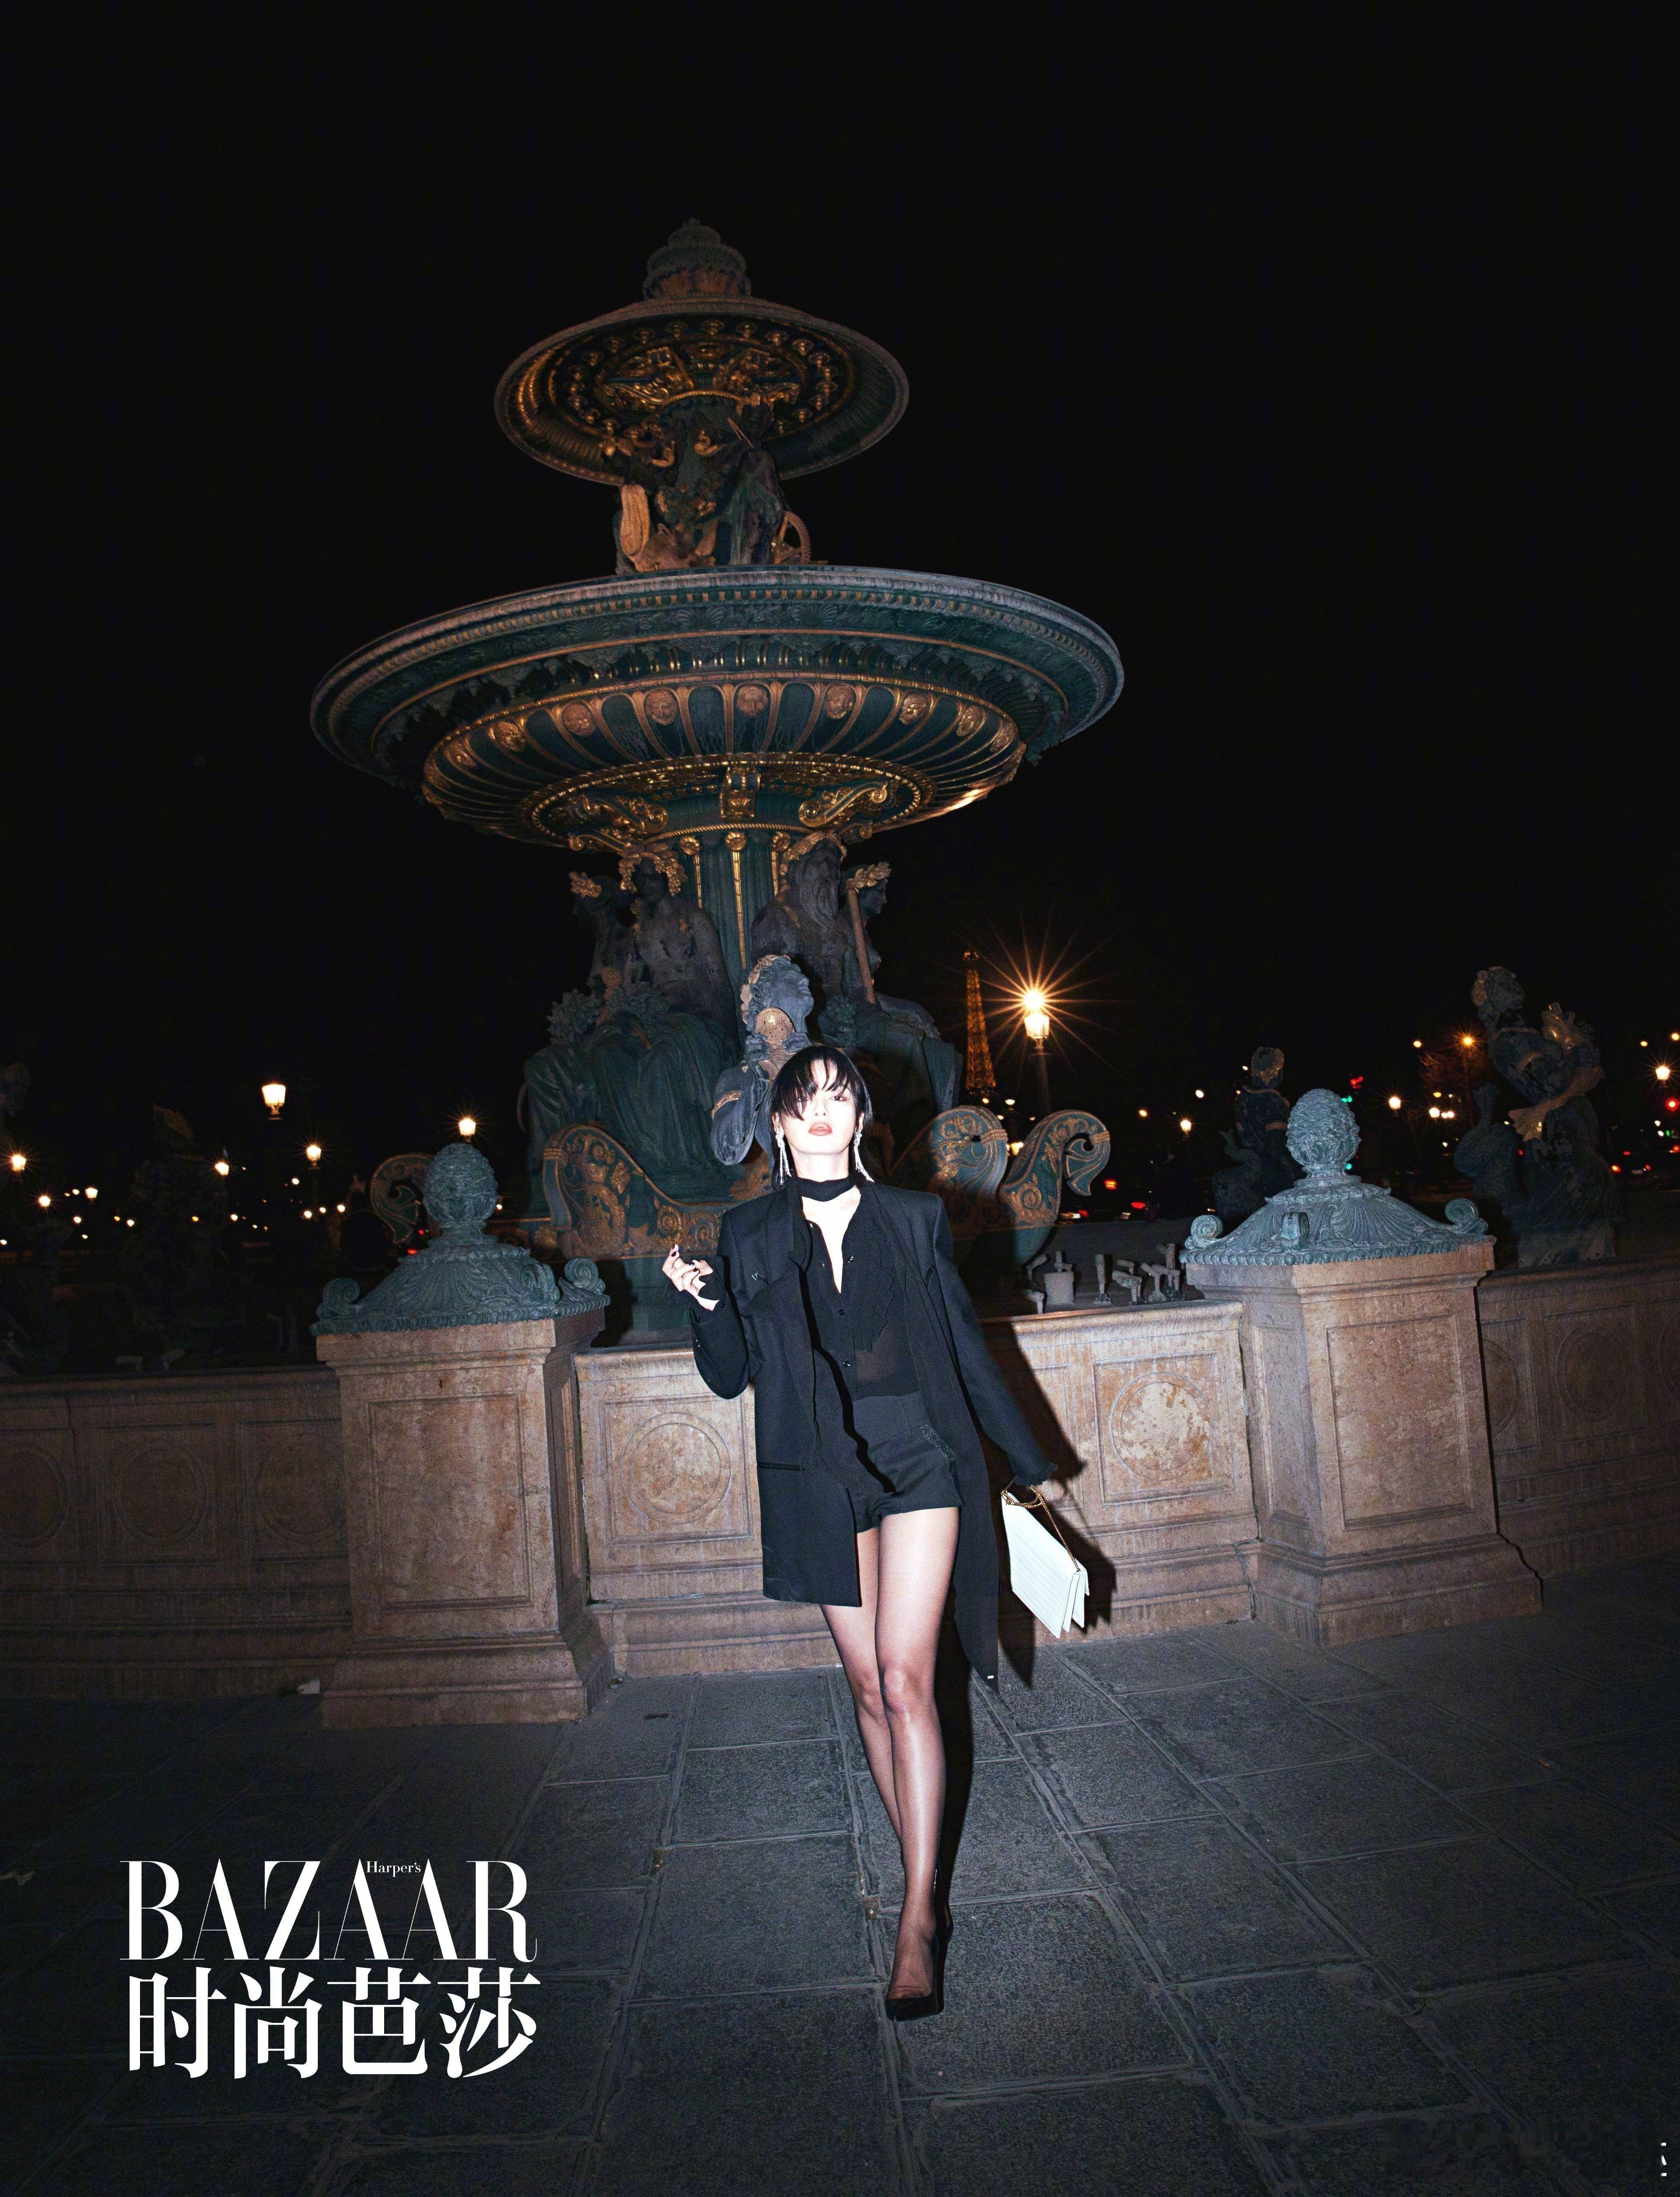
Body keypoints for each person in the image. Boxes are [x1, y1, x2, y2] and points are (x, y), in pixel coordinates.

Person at [663, 1043, 1055, 2019]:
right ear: (779, 1123)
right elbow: (730, 1375)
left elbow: (961, 1346)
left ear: (859, 1117)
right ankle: (921, 1867)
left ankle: (918, 1914)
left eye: (840, 1096)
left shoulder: (914, 1217)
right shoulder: (748, 1231)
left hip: (920, 1459)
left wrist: (1026, 1459)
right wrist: (706, 1304)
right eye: (805, 1098)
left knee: (909, 1674)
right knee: (872, 1686)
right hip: (818, 1475)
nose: (823, 1111)